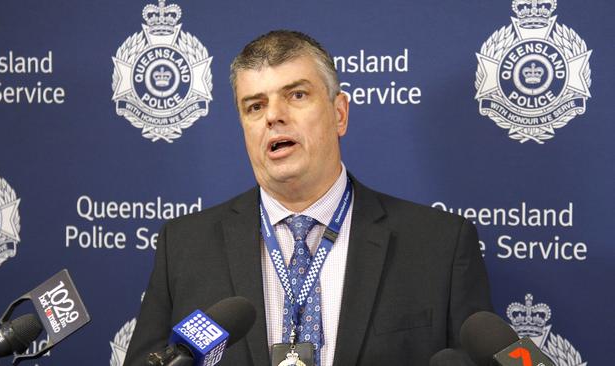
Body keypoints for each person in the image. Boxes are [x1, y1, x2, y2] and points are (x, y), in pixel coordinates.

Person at [124, 30, 491, 366]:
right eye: (255, 106)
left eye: (296, 95)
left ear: (339, 113)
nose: (274, 116)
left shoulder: (439, 244)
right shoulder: (185, 245)